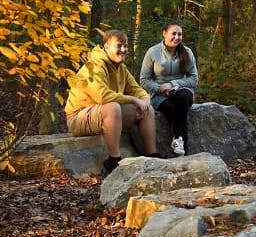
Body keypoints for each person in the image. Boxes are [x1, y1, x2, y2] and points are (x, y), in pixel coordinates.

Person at [65, 30, 158, 174]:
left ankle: (152, 156)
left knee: (146, 109)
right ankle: (114, 160)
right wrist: (133, 99)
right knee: (113, 107)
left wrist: (144, 99)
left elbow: (136, 89)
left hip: (103, 113)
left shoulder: (121, 67)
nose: (123, 50)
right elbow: (102, 96)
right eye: (119, 45)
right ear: (106, 47)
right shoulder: (95, 66)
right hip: (78, 117)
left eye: (125, 46)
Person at [140, 22, 199, 156]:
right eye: (174, 33)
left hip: (182, 91)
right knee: (177, 110)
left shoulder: (187, 52)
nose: (177, 37)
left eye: (180, 34)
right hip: (159, 95)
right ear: (164, 33)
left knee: (183, 99)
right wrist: (160, 88)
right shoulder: (153, 52)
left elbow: (194, 79)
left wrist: (172, 84)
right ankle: (182, 147)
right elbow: (144, 79)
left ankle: (178, 140)